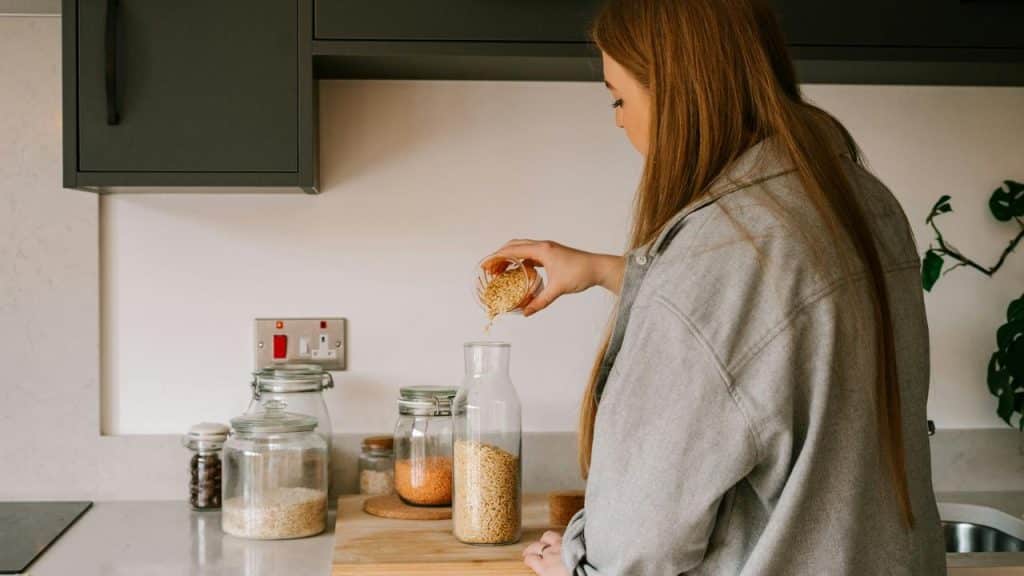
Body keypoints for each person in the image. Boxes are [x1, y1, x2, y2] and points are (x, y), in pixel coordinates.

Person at [493, 0, 947, 574]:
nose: (617, 119)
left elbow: (638, 542)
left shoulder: (723, 253)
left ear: (677, 92)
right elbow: (779, 336)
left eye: (617, 97)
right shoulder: (862, 201)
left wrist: (578, 559)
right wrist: (609, 270)